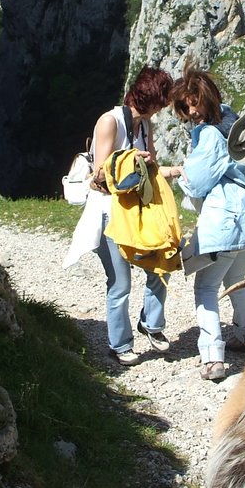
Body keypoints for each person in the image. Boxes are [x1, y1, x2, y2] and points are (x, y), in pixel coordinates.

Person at [162, 68, 245, 382]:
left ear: (208, 96)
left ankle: (211, 355)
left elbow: (197, 183)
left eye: (195, 103)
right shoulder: (234, 119)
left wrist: (176, 172)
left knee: (205, 286)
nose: (192, 111)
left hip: (229, 223)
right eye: (185, 106)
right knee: (235, 279)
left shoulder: (210, 134)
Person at [86, 65, 181, 366]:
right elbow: (99, 174)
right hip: (109, 213)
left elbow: (151, 170)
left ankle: (151, 324)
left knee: (161, 265)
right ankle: (120, 344)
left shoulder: (145, 127)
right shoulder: (110, 122)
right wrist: (130, 159)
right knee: (120, 283)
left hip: (138, 213)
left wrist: (176, 170)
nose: (162, 108)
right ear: (150, 98)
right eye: (161, 101)